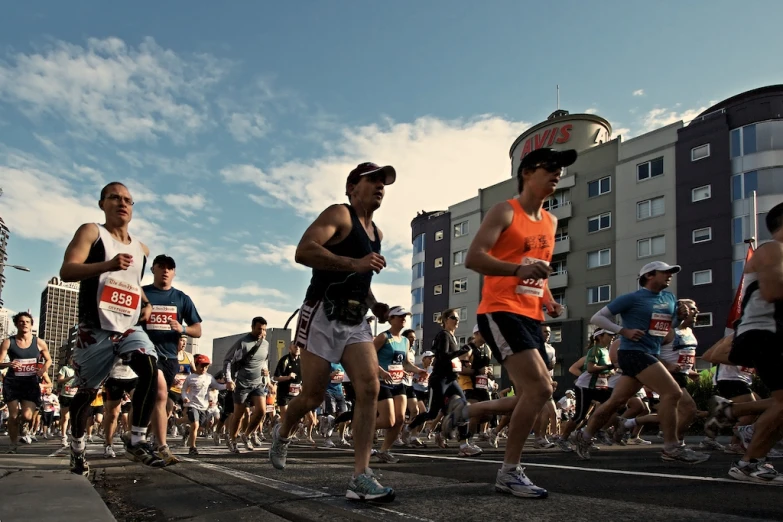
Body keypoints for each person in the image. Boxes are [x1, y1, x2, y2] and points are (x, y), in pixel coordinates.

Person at [441, 147, 573, 498]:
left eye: (560, 169)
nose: (557, 173)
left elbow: (536, 269)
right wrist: (516, 269)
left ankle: (465, 410)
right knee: (541, 390)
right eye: (550, 167)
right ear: (528, 173)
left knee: (538, 394)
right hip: (500, 309)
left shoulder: (551, 221)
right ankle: (509, 472)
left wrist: (549, 301)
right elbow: (474, 257)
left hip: (531, 315)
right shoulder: (505, 211)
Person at [269, 162, 396, 502]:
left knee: (369, 387)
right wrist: (354, 263)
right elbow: (303, 251)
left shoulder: (377, 235)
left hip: (355, 319)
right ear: (352, 187)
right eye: (373, 181)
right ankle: (283, 432)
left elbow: (361, 281)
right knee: (312, 395)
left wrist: (376, 305)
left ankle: (360, 476)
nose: (380, 187)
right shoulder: (340, 214)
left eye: (384, 183)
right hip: (321, 314)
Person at [59, 181, 164, 474]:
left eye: (128, 200)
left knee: (148, 366)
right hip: (95, 328)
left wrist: (146, 302)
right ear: (101, 203)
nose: (122, 203)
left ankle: (136, 439)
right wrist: (106, 265)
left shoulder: (142, 248)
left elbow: (131, 282)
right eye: (114, 198)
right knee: (85, 394)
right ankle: (78, 447)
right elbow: (67, 271)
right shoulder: (92, 232)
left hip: (128, 325)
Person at [570, 261, 707, 464]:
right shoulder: (632, 298)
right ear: (649, 275)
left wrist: (679, 319)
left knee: (615, 402)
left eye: (671, 273)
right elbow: (597, 318)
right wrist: (623, 331)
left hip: (649, 352)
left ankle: (584, 435)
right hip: (633, 352)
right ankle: (671, 447)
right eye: (665, 272)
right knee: (673, 393)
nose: (670, 275)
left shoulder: (669, 298)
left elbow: (664, 330)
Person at [714, 203, 783, 483]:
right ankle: (749, 461)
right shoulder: (772, 249)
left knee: (780, 402)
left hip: (771, 334)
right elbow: (773, 291)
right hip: (764, 333)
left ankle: (743, 429)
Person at [142, 254, 203, 465]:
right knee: (159, 395)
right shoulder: (143, 294)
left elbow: (198, 330)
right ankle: (161, 446)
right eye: (161, 267)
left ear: (174, 273)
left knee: (159, 401)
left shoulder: (181, 298)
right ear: (153, 270)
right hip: (145, 353)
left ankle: (135, 435)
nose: (165, 271)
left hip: (170, 358)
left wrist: (182, 328)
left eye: (170, 268)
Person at [0, 312, 51, 454]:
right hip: (13, 383)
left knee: (28, 416)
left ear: (31, 324)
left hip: (30, 383)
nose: (24, 324)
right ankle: (13, 444)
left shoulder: (39, 342)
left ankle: (24, 426)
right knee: (13, 415)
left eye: (27, 321)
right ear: (16, 324)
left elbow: (49, 360)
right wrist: (9, 364)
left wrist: (42, 371)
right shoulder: (8, 342)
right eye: (21, 321)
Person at [223, 317, 270, 453]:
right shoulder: (242, 342)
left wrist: (266, 374)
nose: (261, 332)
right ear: (252, 327)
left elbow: (264, 361)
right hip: (242, 383)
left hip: (258, 383)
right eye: (259, 329)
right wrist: (229, 380)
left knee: (261, 411)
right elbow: (228, 361)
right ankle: (232, 439)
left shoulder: (265, 344)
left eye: (264, 329)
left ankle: (247, 434)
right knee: (239, 414)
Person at [182, 354, 226, 455]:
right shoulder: (190, 378)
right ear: (196, 365)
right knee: (195, 424)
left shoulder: (209, 377)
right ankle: (192, 447)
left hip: (204, 406)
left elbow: (217, 386)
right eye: (201, 366)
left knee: (200, 427)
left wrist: (227, 386)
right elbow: (184, 390)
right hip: (192, 404)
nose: (203, 369)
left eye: (206, 367)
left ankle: (187, 430)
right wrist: (185, 397)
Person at [57, 356, 78, 447]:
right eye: (72, 359)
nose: (73, 360)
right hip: (65, 395)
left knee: (75, 417)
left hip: (76, 396)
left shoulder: (80, 369)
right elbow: (59, 381)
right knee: (65, 417)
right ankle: (63, 436)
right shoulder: (65, 368)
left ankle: (75, 436)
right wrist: (71, 377)